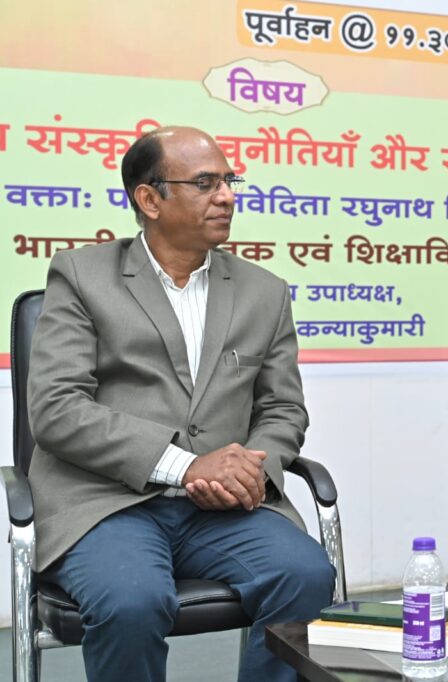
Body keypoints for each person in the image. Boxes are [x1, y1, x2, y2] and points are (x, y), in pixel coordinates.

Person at [28, 126, 335, 681]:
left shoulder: (264, 292)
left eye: (229, 181)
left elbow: (283, 410)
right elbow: (57, 408)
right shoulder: (81, 276)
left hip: (223, 511)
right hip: (107, 503)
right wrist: (186, 465)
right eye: (205, 183)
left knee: (306, 575)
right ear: (149, 199)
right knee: (132, 601)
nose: (227, 196)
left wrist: (250, 470)